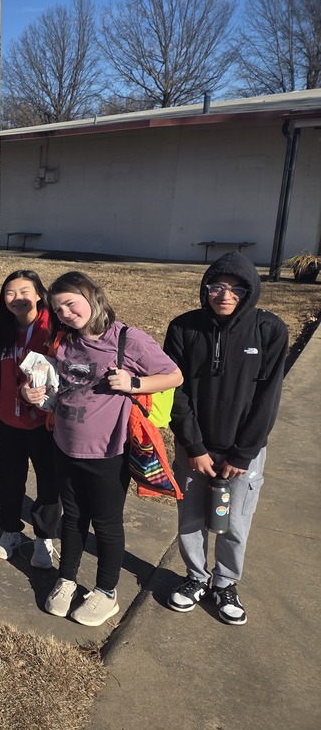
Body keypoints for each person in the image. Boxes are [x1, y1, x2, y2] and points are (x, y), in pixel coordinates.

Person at [22, 271, 182, 626]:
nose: (65, 313)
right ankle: (66, 579)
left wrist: (133, 382)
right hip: (64, 445)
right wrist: (29, 392)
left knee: (106, 524)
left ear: (92, 295)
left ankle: (106, 592)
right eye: (58, 309)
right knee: (73, 517)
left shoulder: (127, 339)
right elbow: (52, 381)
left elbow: (174, 375)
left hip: (108, 451)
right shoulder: (63, 339)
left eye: (70, 303)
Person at [164, 252, 287, 625]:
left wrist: (243, 453)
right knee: (191, 517)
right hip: (195, 448)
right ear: (206, 288)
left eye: (236, 289)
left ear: (250, 292)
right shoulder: (184, 327)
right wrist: (193, 446)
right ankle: (196, 577)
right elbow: (175, 392)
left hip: (242, 452)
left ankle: (225, 583)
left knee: (235, 521)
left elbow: (268, 397)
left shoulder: (269, 330)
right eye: (217, 286)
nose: (225, 295)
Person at [0, 271, 60, 568]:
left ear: (40, 294)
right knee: (8, 476)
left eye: (24, 291)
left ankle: (44, 537)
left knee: (49, 480)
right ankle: (10, 530)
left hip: (45, 421)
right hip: (9, 418)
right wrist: (5, 395)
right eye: (10, 293)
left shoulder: (54, 327)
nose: (17, 298)